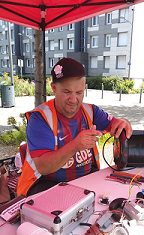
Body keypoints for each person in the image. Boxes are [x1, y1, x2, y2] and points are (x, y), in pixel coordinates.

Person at [17, 58, 132, 197]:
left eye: (79, 93)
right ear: (54, 88)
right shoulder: (40, 118)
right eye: (67, 92)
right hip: (44, 183)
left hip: (85, 179)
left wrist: (123, 122)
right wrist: (75, 145)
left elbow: (116, 124)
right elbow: (44, 168)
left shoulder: (90, 111)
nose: (73, 100)